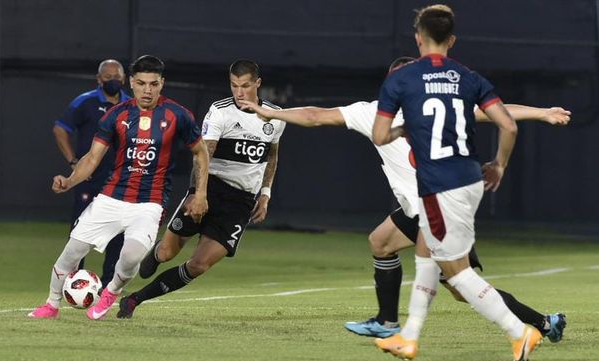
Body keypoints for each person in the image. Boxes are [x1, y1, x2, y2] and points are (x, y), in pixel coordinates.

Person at [238, 58, 569, 342]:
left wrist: (541, 112)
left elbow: (495, 112)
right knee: (381, 242)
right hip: (421, 208)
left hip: (440, 208)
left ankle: (543, 323)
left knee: (460, 285)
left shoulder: (413, 110)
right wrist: (271, 113)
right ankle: (386, 322)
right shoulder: (372, 113)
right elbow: (315, 115)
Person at [370, 5, 543, 361]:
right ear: (451, 40)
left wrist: (406, 128)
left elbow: (380, 135)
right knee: (426, 256)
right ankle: (409, 337)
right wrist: (499, 165)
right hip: (468, 180)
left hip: (438, 185)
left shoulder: (400, 79)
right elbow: (508, 126)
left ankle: (520, 331)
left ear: (418, 37)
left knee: (458, 274)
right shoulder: (468, 77)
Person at [28, 55, 210, 321]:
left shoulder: (178, 115)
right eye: (141, 83)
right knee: (72, 253)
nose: (147, 90)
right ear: (132, 83)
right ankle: (51, 304)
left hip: (150, 202)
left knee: (130, 256)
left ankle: (111, 292)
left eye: (153, 84)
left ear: (162, 84)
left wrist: (201, 193)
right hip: (111, 197)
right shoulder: (117, 114)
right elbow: (91, 159)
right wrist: (69, 181)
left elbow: (201, 153)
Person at [116, 59, 286, 319]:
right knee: (167, 252)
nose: (239, 92)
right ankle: (158, 252)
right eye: (234, 86)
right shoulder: (221, 111)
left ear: (258, 84)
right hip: (211, 188)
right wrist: (198, 194)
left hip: (240, 202)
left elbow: (271, 156)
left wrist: (265, 194)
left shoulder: (274, 117)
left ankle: (135, 300)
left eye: (245, 86)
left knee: (199, 265)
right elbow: (203, 155)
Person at [53, 59, 131, 288]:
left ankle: (109, 285)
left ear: (124, 79)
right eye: (107, 77)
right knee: (80, 231)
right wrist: (73, 162)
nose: (113, 81)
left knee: (119, 233)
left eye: (117, 77)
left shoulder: (131, 105)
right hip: (88, 179)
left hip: (119, 181)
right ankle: (74, 282)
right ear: (98, 80)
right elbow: (60, 128)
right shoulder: (85, 102)